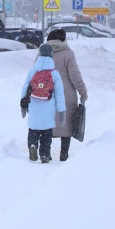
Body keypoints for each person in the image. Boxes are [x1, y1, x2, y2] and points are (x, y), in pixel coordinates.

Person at [44, 28, 88, 161]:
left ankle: (46, 153)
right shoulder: (68, 54)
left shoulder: (42, 53)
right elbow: (75, 76)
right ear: (63, 39)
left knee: (47, 123)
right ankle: (64, 154)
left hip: (46, 93)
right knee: (66, 124)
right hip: (65, 94)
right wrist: (83, 92)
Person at [20, 43, 67, 163]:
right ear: (52, 56)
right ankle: (45, 154)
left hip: (34, 107)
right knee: (46, 133)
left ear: (39, 55)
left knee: (33, 130)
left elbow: (25, 88)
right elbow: (59, 94)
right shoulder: (54, 74)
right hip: (48, 108)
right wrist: (62, 111)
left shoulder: (33, 71)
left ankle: (32, 145)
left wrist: (23, 106)